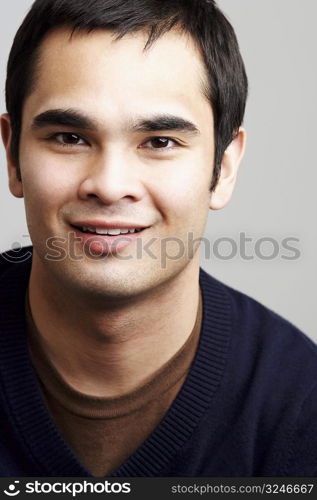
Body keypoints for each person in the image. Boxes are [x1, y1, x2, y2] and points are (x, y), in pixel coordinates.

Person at [0, 0, 316, 478]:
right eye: (68, 137)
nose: (108, 184)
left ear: (224, 167)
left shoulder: (300, 404)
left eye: (160, 142)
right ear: (12, 154)